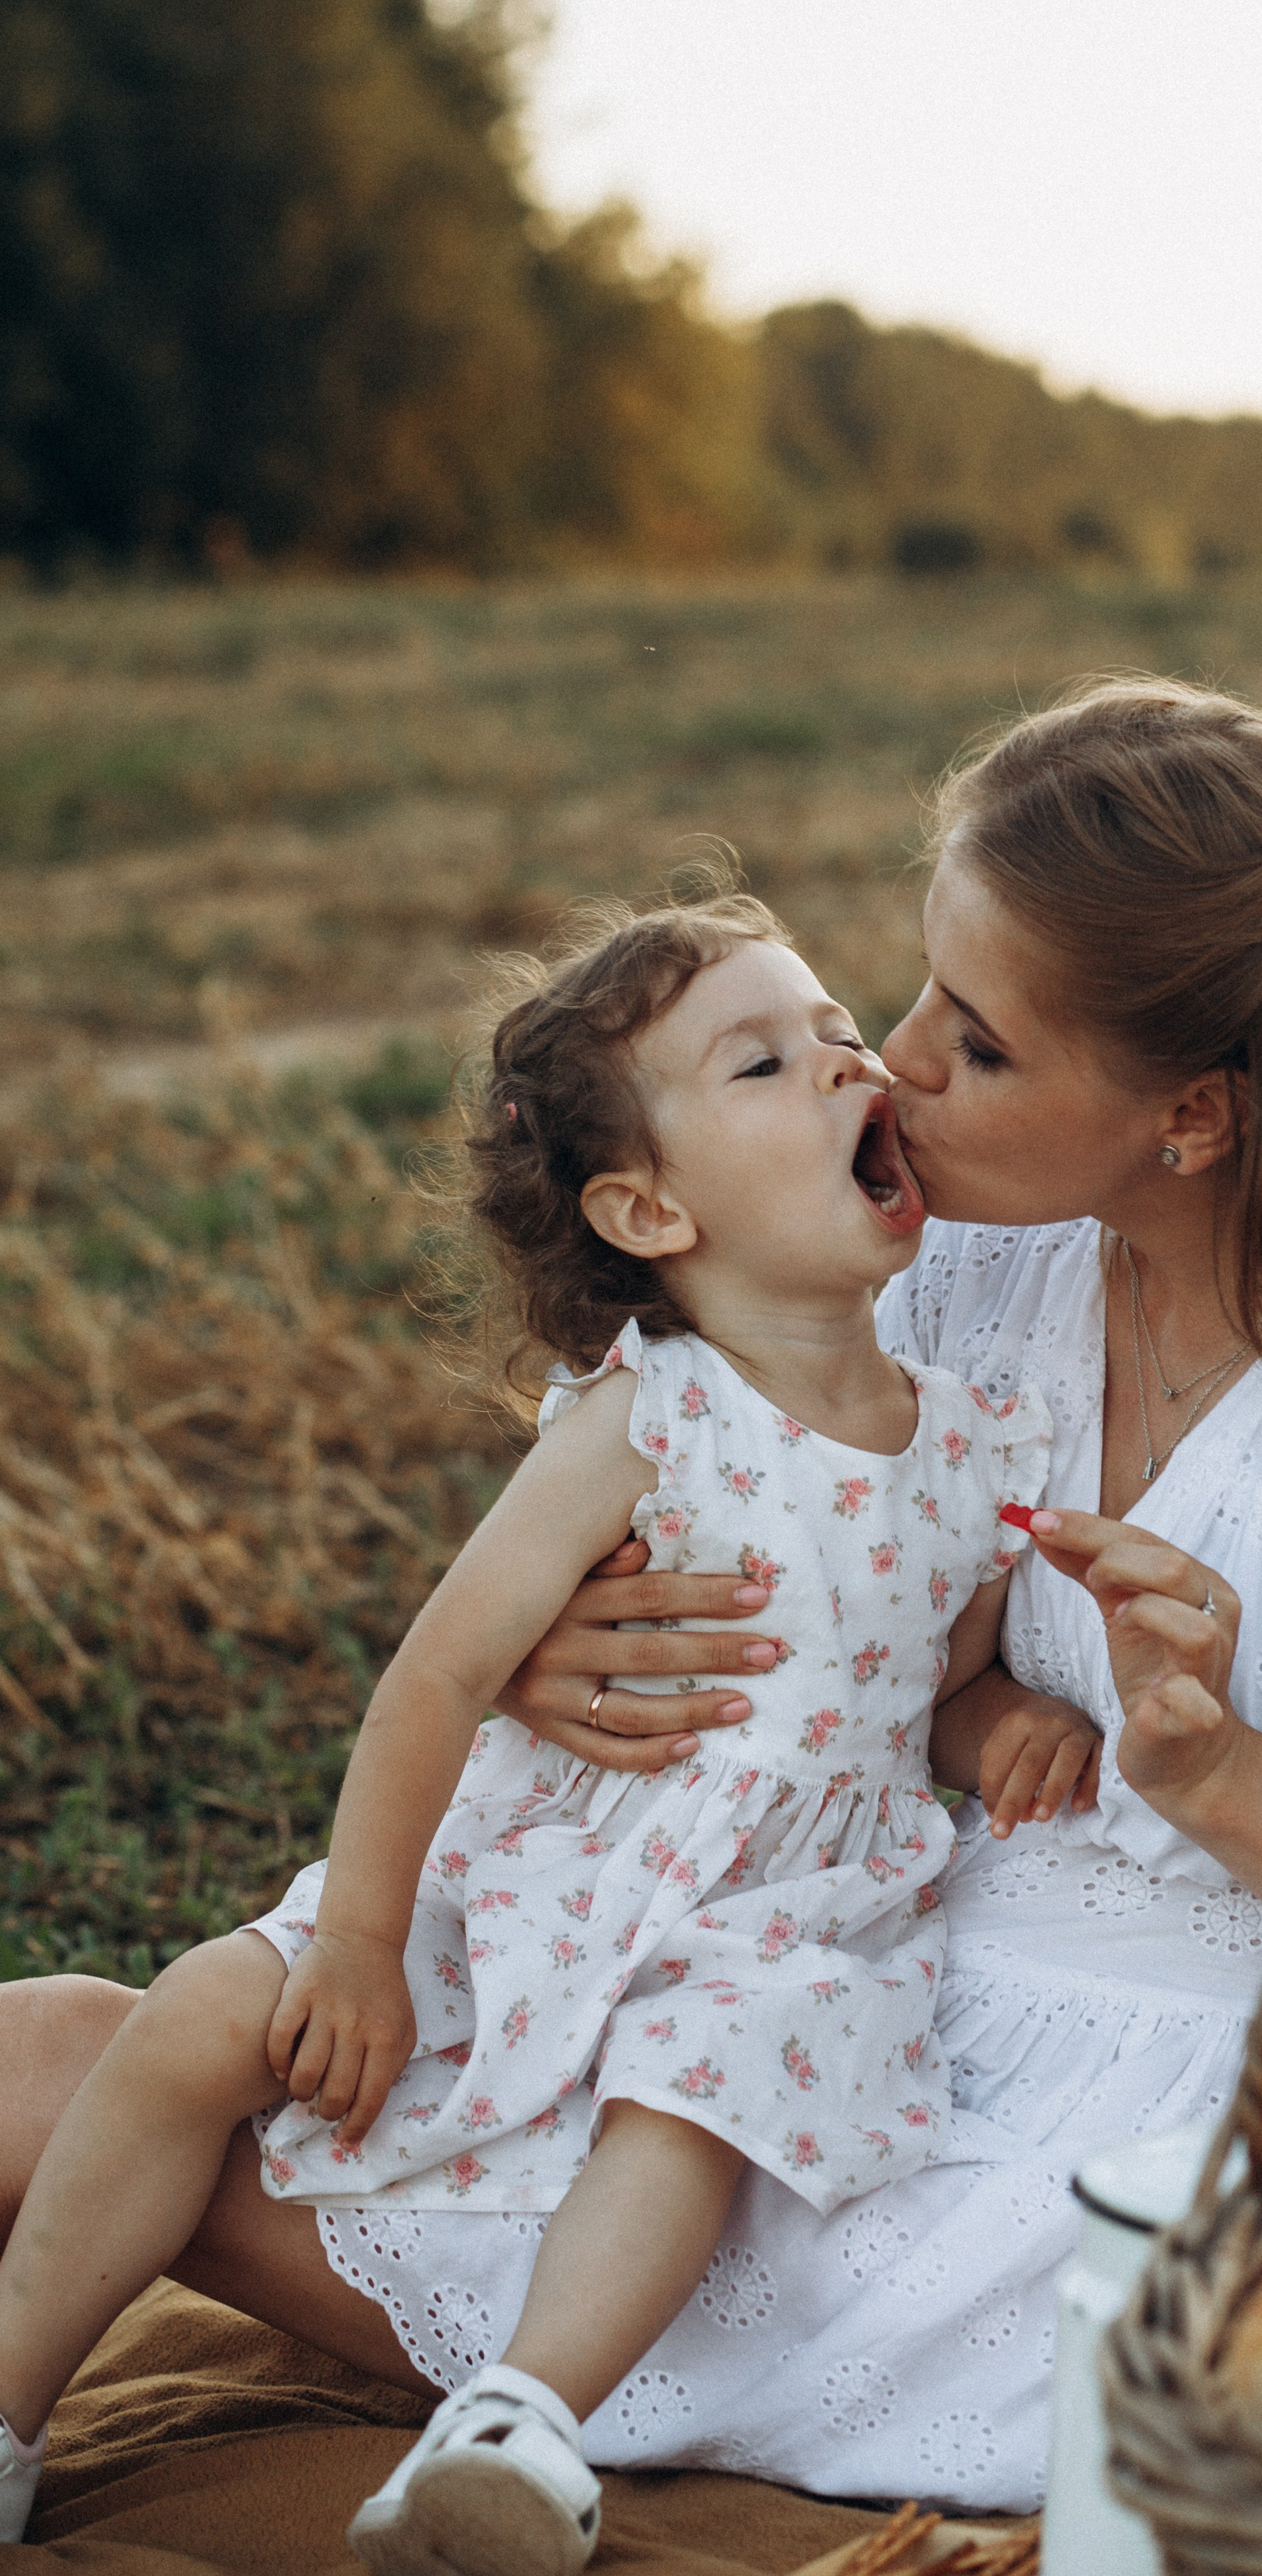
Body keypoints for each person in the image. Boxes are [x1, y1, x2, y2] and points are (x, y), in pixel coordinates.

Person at [0, 682, 1262, 2518]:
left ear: (1191, 1117)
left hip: (1119, 2122)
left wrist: (1213, 1780)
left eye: (972, 1045)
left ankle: (536, 2413)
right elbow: (765, 1497)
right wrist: (564, 1650)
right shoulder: (982, 1275)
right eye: (910, 994)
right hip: (827, 1936)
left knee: (82, 2094)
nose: (889, 1064)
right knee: (49, 2047)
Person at [0, 894, 1071, 2570]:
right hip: (554, 1865)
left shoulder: (967, 1439)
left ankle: (517, 2422)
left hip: (776, 1917)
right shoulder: (651, 1416)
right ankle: (5, 2412)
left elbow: (923, 1684)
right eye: (763, 1059)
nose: (849, 1057)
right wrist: (359, 1937)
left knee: (706, 2090)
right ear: (647, 1207)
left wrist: (999, 1721)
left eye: (832, 1025)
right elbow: (437, 1676)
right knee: (215, 2003)